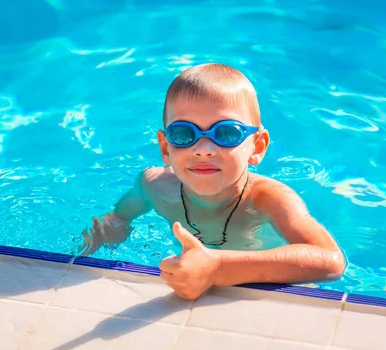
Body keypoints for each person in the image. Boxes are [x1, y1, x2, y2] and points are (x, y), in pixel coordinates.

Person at [79, 63, 345, 300]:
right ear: (165, 148)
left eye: (226, 132)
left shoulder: (269, 198)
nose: (203, 149)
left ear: (257, 147)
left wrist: (218, 267)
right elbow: (119, 217)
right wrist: (110, 228)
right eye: (184, 133)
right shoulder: (155, 186)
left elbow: (330, 260)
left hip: (272, 289)